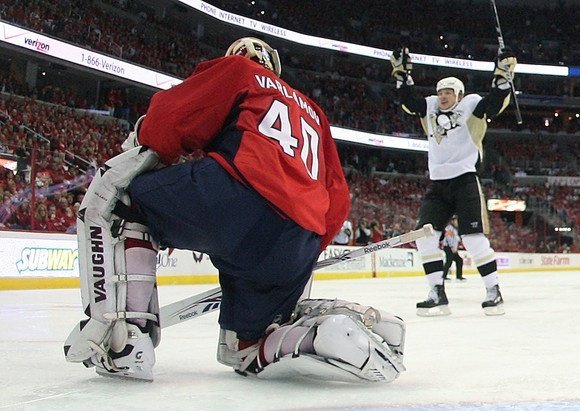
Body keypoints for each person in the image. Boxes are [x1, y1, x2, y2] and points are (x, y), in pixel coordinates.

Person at [64, 37, 406, 383]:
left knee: (123, 200)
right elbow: (338, 200)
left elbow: (171, 121)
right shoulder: (314, 112)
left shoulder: (240, 70)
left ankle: (126, 339)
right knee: (246, 349)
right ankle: (322, 335)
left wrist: (147, 140)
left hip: (236, 194)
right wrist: (299, 255)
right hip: (299, 235)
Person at [389, 47, 517, 316]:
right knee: (425, 237)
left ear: (459, 95)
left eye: (449, 92)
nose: (443, 96)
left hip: (465, 180)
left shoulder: (470, 105)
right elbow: (410, 101)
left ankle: (493, 291)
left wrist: (502, 79)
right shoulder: (430, 107)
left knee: (472, 239)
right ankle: (437, 293)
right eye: (440, 92)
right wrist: (402, 74)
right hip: (438, 184)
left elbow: (493, 103)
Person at [441, 216, 465, 281]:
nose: (457, 222)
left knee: (459, 260)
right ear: (452, 221)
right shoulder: (449, 228)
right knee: (449, 261)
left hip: (452, 248)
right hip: (449, 247)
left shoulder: (455, 229)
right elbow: (448, 237)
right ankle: (443, 276)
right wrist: (452, 246)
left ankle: (459, 276)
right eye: (456, 221)